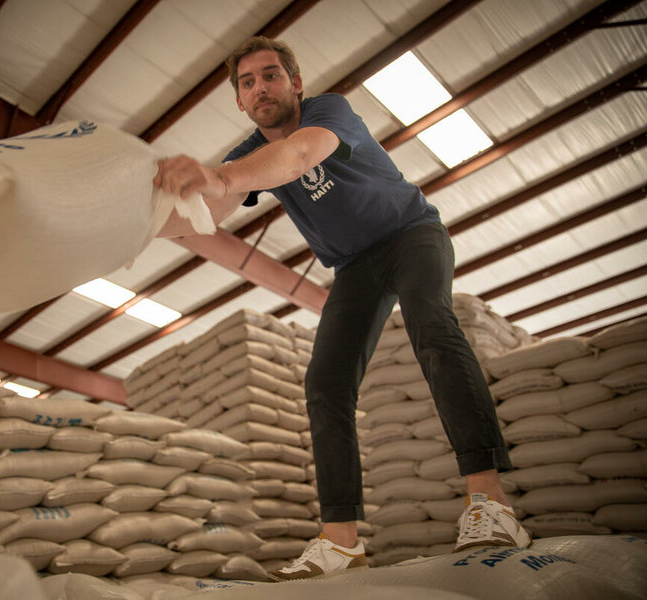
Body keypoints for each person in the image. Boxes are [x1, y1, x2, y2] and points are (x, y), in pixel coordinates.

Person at [153, 36, 531, 581]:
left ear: (295, 83)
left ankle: (491, 505)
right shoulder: (245, 157)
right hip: (354, 267)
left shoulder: (328, 111)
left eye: (271, 75)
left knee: (432, 325)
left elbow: (299, 156)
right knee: (325, 384)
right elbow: (202, 214)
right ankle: (341, 543)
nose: (260, 87)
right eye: (248, 82)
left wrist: (218, 176)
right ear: (238, 100)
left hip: (411, 234)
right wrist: (132, 225)